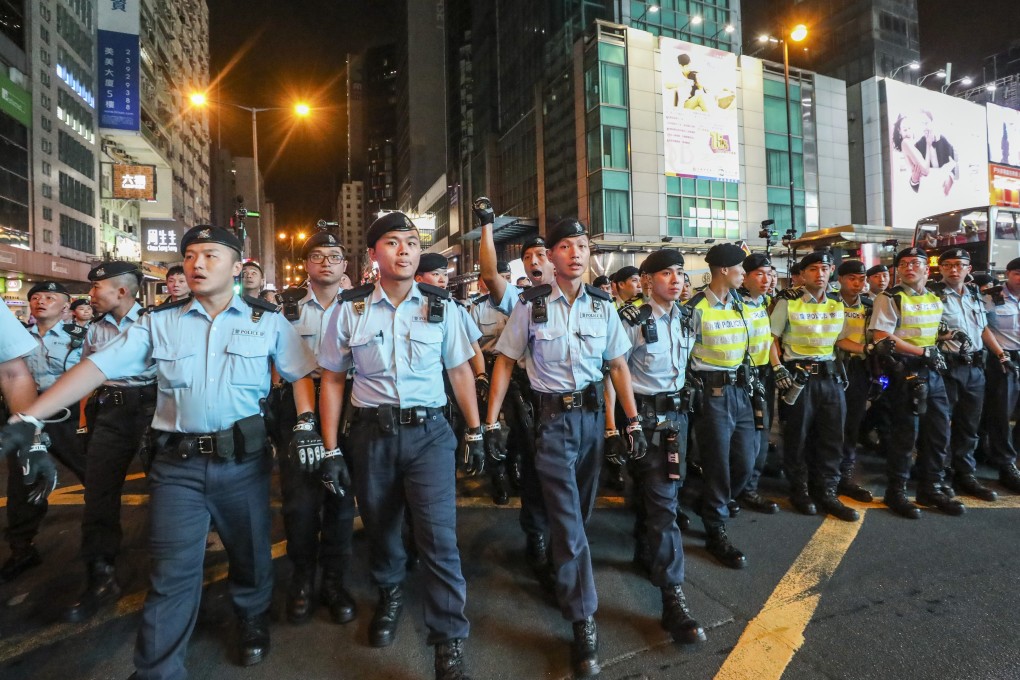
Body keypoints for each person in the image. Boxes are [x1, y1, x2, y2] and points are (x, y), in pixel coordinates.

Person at [1, 225, 321, 675]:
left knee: (250, 554)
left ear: (237, 265)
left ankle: (250, 616)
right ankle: (158, 668)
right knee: (171, 573)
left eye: (210, 255)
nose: (197, 264)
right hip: (179, 467)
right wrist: (30, 417)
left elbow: (299, 372)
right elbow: (97, 368)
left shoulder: (266, 321)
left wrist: (306, 423)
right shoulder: (159, 322)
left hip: (243, 462)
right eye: (190, 255)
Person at [318, 212, 485, 680]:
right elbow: (331, 380)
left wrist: (475, 431)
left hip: (429, 433)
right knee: (382, 525)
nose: (405, 251)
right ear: (373, 255)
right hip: (371, 434)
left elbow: (458, 372)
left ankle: (449, 639)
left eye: (411, 242)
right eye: (392, 243)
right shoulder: (348, 310)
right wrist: (331, 449)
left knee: (439, 538)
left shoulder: (442, 306)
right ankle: (390, 594)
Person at [484, 217, 644, 679]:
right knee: (569, 522)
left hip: (593, 421)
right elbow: (505, 362)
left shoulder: (602, 305)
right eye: (566, 247)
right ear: (549, 257)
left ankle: (562, 566)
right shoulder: (530, 306)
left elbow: (616, 366)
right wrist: (490, 424)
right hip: (551, 423)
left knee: (581, 512)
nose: (576, 253)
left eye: (583, 245)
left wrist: (629, 423)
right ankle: (582, 620)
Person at [608, 249, 706, 646]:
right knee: (665, 506)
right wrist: (616, 426)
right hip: (645, 420)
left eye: (680, 273)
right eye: (666, 273)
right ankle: (672, 599)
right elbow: (613, 374)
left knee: (664, 496)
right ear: (647, 281)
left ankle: (644, 551)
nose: (676, 280)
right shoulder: (632, 320)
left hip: (678, 419)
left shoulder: (687, 317)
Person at [272, 231, 358, 627]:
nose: (326, 261)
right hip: (298, 410)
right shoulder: (283, 307)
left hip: (348, 407)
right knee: (300, 502)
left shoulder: (360, 306)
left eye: (334, 256)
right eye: (318, 256)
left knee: (341, 499)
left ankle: (335, 582)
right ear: (306, 265)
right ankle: (303, 579)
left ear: (345, 266)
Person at [64, 262, 156, 622]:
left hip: (151, 409)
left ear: (121, 290)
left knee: (166, 489)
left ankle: (170, 573)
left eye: (96, 289)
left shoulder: (154, 322)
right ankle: (100, 576)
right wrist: (85, 422)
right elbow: (86, 377)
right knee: (98, 494)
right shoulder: (95, 330)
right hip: (111, 414)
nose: (90, 296)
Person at [474, 197, 556, 590]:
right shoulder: (521, 299)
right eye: (529, 255)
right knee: (535, 469)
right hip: (531, 398)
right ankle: (537, 536)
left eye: (544, 252)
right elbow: (489, 274)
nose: (537, 259)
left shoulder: (586, 297)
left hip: (577, 405)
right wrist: (488, 224)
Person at [869, 246, 964, 518]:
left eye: (916, 263)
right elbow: (881, 337)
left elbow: (930, 332)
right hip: (906, 371)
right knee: (905, 433)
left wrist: (951, 336)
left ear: (926, 268)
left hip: (933, 371)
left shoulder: (934, 298)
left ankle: (930, 487)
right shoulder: (890, 298)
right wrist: (923, 352)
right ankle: (896, 492)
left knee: (937, 432)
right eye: (904, 264)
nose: (909, 267)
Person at [2, 281, 87, 583]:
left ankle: (101, 542)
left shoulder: (81, 337)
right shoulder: (16, 337)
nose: (41, 302)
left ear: (66, 307)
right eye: (35, 297)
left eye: (50, 297)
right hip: (24, 414)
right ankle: (22, 547)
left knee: (93, 474)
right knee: (22, 483)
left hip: (66, 416)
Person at [770, 251, 858, 521]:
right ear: (803, 274)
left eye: (824, 268)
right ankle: (800, 490)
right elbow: (771, 339)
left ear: (831, 270)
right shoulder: (788, 302)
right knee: (798, 436)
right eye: (813, 269)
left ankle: (827, 491)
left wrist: (868, 347)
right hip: (799, 378)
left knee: (832, 437)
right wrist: (778, 367)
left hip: (830, 378)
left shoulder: (836, 302)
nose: (819, 274)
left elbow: (840, 341)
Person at [686, 243, 756, 569]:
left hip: (740, 391)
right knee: (718, 464)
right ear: (724, 270)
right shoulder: (696, 307)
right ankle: (715, 530)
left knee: (745, 460)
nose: (745, 274)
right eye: (741, 268)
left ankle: (711, 503)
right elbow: (682, 355)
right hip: (711, 394)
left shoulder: (739, 303)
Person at [930, 249, 999, 502]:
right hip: (946, 367)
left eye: (960, 265)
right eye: (948, 265)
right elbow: (922, 333)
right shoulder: (932, 295)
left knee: (969, 425)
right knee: (939, 426)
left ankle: (966, 474)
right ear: (941, 269)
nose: (954, 269)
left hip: (974, 368)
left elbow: (982, 330)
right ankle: (939, 475)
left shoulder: (974, 296)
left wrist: (1001, 354)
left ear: (969, 269)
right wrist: (945, 336)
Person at [733, 253, 780, 514]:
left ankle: (750, 489)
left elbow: (770, 340)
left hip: (763, 375)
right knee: (740, 440)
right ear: (745, 277)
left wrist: (777, 366)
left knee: (762, 435)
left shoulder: (768, 302)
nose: (767, 279)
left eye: (770, 273)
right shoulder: (734, 303)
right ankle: (732, 490)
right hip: (740, 377)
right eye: (760, 274)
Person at [832, 260, 875, 502]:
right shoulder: (828, 303)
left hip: (858, 369)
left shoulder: (869, 306)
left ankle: (845, 474)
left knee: (852, 423)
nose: (858, 284)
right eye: (852, 279)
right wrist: (865, 348)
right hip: (832, 368)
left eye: (862, 279)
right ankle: (823, 473)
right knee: (828, 424)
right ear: (840, 279)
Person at [981, 257, 1020, 495]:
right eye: (1017, 273)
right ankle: (1004, 463)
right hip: (1003, 359)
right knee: (1001, 413)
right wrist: (998, 353)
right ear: (1007, 274)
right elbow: (982, 327)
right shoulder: (991, 296)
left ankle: (1014, 455)